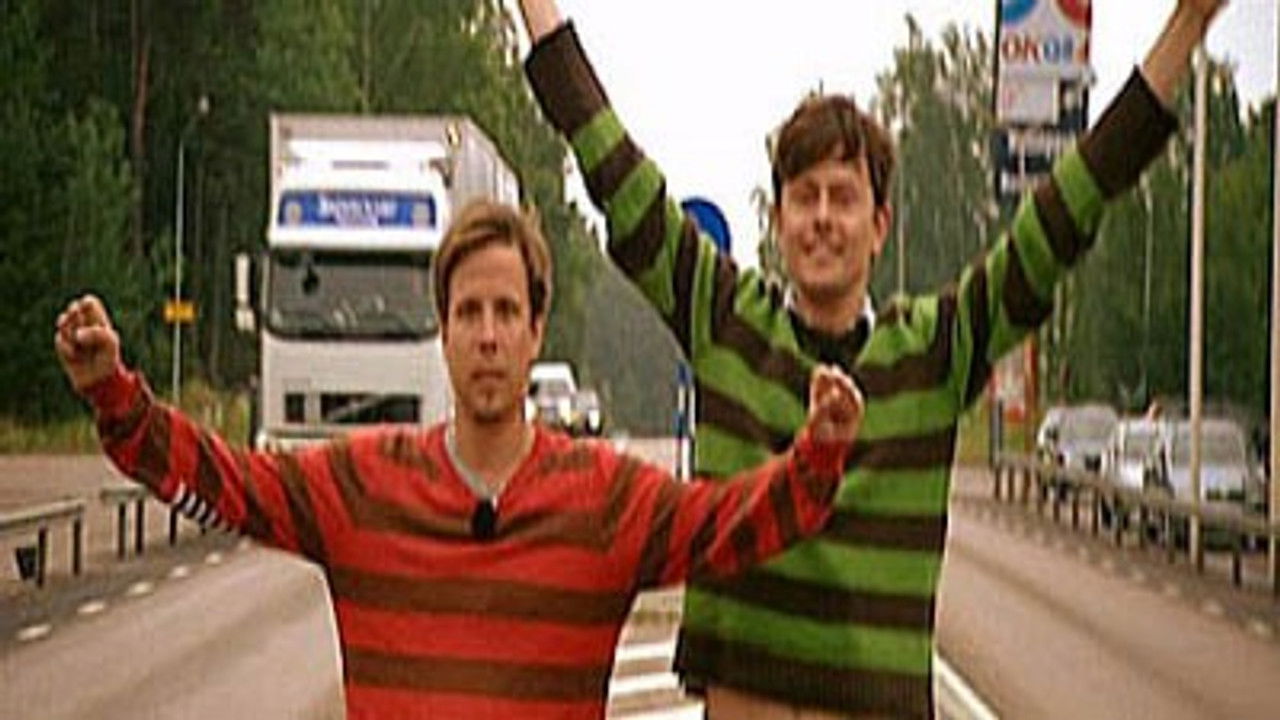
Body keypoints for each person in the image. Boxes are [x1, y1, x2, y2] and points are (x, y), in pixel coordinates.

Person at [515, 0, 1227, 717]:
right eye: (804, 198)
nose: (823, 217)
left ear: (879, 226)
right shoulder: (723, 320)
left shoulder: (937, 351)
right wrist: (536, 10)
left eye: (844, 198)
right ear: (778, 221)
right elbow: (612, 167)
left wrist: (1186, 29)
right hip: (743, 699)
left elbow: (1068, 210)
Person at [54, 200, 865, 720]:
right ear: (442, 330)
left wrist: (819, 454)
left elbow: (732, 524)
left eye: (506, 311)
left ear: (536, 331)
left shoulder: (603, 500)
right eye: (468, 311)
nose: (487, 335)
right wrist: (115, 397)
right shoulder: (361, 485)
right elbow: (224, 483)